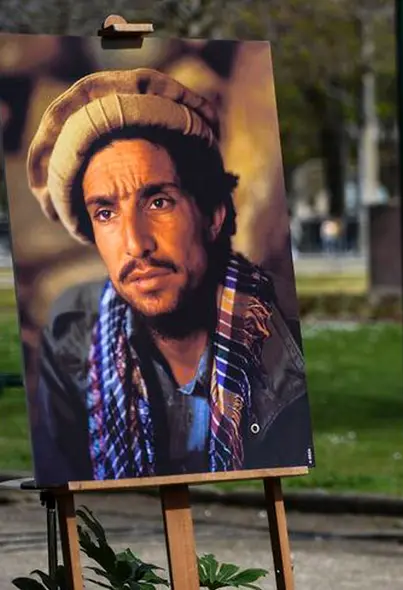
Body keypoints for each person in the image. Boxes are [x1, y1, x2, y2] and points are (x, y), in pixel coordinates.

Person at [24, 68, 314, 487]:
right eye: (105, 213)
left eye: (158, 202)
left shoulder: (285, 334)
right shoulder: (72, 331)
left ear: (212, 215)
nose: (136, 244)